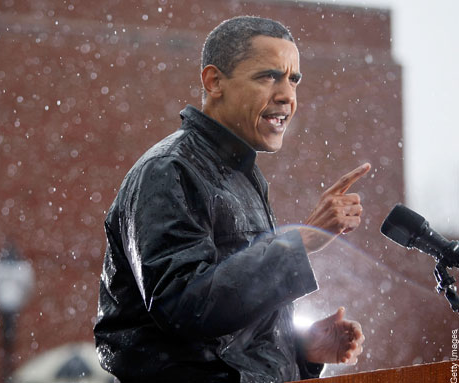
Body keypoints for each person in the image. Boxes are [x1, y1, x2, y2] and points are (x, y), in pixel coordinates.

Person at [94, 16, 366, 383]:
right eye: (269, 76)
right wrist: (299, 242)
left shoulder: (243, 174)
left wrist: (299, 349)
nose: (287, 94)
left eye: (294, 79)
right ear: (214, 81)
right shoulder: (168, 171)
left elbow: (226, 326)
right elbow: (182, 306)